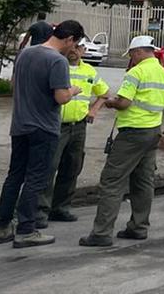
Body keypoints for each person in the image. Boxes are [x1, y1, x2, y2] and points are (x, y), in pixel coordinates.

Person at [0, 20, 85, 248]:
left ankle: (3, 227)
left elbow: (14, 85)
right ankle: (26, 230)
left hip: (20, 125)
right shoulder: (57, 61)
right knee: (36, 179)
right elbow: (61, 97)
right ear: (70, 38)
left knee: (14, 175)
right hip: (43, 129)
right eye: (75, 44)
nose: (74, 50)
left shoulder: (25, 54)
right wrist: (73, 90)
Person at [79, 36, 164, 247]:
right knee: (143, 181)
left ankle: (101, 233)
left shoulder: (136, 72)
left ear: (138, 52)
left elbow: (124, 103)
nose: (131, 58)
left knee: (112, 180)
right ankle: (139, 227)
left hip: (132, 133)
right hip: (153, 131)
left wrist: (110, 103)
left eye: (131, 54)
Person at [36, 40, 109, 227]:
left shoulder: (89, 71)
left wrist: (94, 110)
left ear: (84, 50)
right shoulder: (58, 65)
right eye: (73, 47)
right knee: (49, 166)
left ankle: (60, 208)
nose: (75, 51)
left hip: (79, 126)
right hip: (57, 126)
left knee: (72, 167)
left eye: (79, 48)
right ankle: (40, 212)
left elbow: (105, 93)